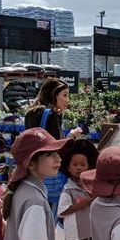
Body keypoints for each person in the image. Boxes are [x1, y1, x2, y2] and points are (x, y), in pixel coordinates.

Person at [24, 78, 82, 219]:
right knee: (52, 216)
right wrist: (72, 136)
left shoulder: (32, 113)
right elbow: (56, 147)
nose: (67, 100)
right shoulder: (50, 115)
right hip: (50, 172)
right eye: (65, 95)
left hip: (35, 171)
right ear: (53, 95)